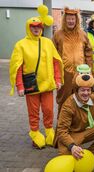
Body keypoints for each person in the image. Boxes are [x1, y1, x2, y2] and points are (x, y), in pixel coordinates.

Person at [9, 17, 63, 149]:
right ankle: (35, 134)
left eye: (38, 26)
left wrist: (57, 79)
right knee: (33, 113)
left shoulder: (47, 42)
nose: (36, 29)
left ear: (42, 28)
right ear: (28, 27)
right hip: (31, 85)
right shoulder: (21, 45)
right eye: (33, 26)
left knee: (49, 110)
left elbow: (56, 62)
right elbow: (18, 67)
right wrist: (20, 86)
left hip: (47, 85)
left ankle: (50, 133)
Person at [55, 71, 94, 158]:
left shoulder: (93, 97)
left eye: (88, 90)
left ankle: (90, 154)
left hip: (89, 129)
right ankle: (75, 150)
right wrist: (72, 146)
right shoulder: (68, 106)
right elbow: (62, 131)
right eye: (82, 90)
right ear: (77, 90)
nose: (86, 93)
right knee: (65, 154)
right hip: (73, 134)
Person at [53, 7, 93, 114]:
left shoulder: (83, 34)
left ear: (77, 20)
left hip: (81, 73)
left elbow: (88, 53)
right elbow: (53, 55)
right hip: (64, 74)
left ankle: (78, 125)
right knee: (63, 99)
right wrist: (55, 74)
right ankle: (62, 125)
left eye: (73, 19)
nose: (71, 21)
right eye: (69, 19)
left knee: (81, 99)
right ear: (65, 20)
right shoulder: (58, 35)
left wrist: (90, 71)